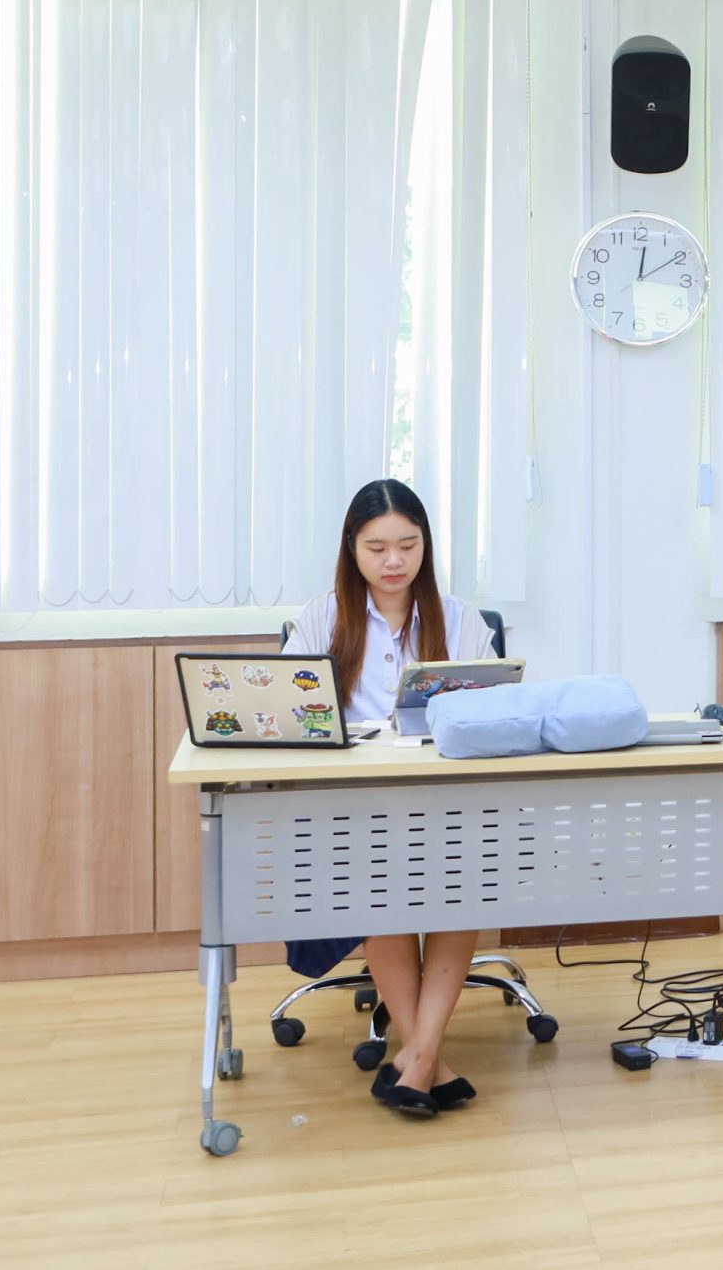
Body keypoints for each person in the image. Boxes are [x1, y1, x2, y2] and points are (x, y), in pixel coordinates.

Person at [282, 479, 497, 1119]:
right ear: (352, 549)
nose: (394, 561)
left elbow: (495, 712)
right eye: (377, 548)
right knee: (381, 879)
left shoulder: (460, 620)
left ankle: (418, 1058)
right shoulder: (321, 619)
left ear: (426, 546)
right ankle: (427, 1058)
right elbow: (291, 717)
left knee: (462, 883)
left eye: (408, 545)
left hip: (446, 796)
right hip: (358, 805)